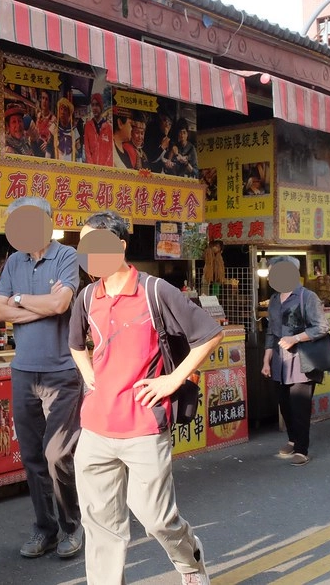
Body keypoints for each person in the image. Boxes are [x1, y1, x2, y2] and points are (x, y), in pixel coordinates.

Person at [68, 210, 217, 585]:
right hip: (96, 429)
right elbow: (75, 345)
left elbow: (210, 333)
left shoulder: (155, 291)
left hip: (144, 426)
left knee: (156, 519)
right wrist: (91, 380)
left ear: (120, 246)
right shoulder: (87, 296)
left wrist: (171, 381)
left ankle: (190, 559)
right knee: (99, 524)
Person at [0, 196, 83, 559]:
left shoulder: (67, 257)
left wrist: (19, 301)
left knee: (56, 454)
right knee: (31, 455)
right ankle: (44, 528)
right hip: (23, 372)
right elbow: (0, 311)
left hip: (61, 371)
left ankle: (72, 526)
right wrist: (34, 301)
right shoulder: (13, 261)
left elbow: (60, 305)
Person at [261, 256, 329, 466]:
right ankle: (292, 439)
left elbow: (322, 327)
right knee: (284, 404)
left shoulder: (307, 297)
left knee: (299, 405)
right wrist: (266, 360)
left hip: (303, 359)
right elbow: (271, 331)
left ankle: (301, 449)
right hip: (279, 361)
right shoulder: (273, 300)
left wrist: (295, 338)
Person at [83, 94, 115, 166]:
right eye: (93, 105)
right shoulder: (88, 126)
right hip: (92, 170)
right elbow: (87, 149)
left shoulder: (109, 128)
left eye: (97, 105)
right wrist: (91, 167)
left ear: (101, 107)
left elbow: (110, 151)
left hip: (105, 171)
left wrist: (105, 169)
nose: (94, 108)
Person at [55, 96, 77, 161]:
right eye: (61, 109)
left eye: (65, 109)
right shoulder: (54, 128)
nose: (62, 112)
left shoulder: (74, 130)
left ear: (69, 113)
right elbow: (49, 148)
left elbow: (78, 149)